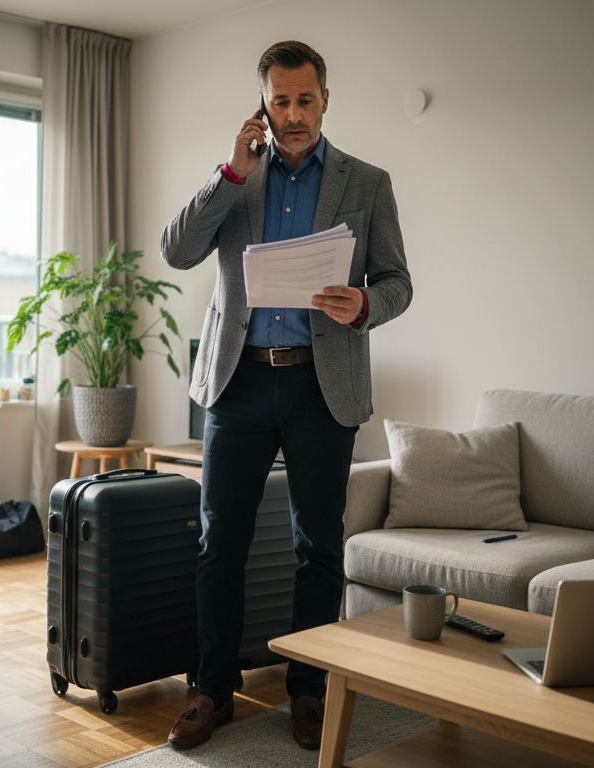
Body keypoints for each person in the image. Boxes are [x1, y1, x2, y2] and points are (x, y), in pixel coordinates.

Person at [160, 40, 412, 751]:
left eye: (305, 100)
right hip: (238, 382)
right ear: (263, 103)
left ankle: (309, 689)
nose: (293, 114)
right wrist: (229, 172)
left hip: (320, 385)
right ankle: (212, 691)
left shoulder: (367, 183)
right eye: (280, 101)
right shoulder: (238, 178)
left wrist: (362, 303)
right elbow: (177, 250)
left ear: (325, 100)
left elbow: (398, 282)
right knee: (219, 545)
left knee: (317, 547)